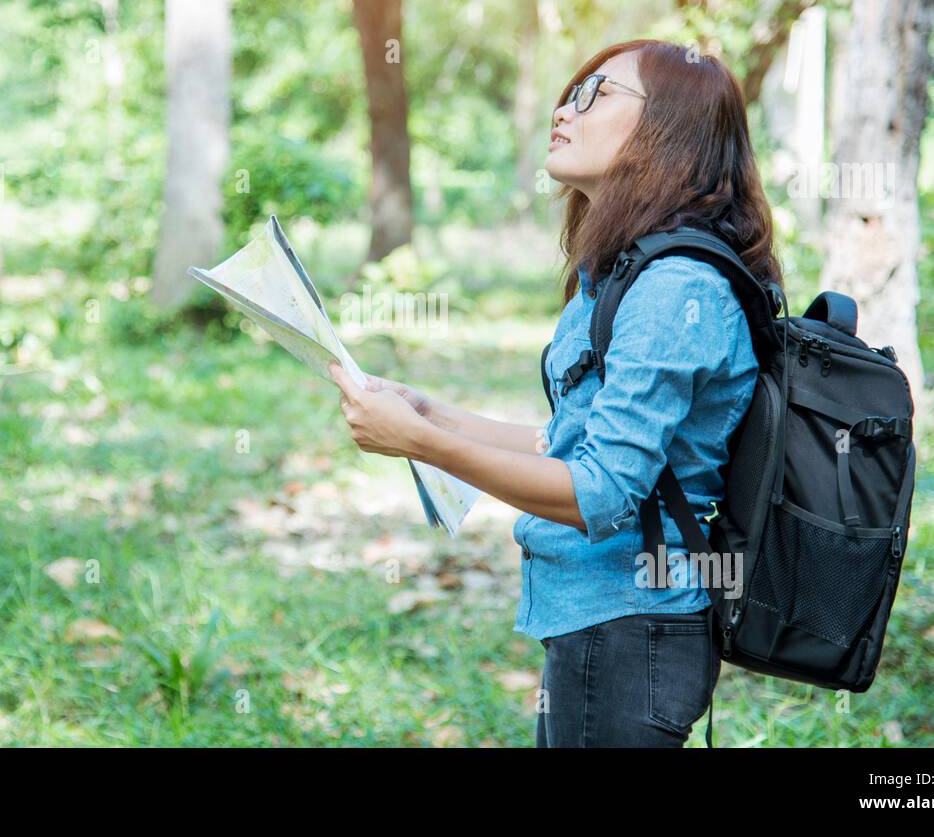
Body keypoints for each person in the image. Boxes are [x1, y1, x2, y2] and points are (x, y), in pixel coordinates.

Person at [327, 38, 783, 746]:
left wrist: (420, 442)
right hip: (600, 621)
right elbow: (570, 443)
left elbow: (600, 491)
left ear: (667, 130)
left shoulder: (676, 288)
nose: (565, 111)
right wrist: (430, 412)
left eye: (596, 94)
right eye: (572, 91)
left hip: (633, 627)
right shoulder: (627, 271)